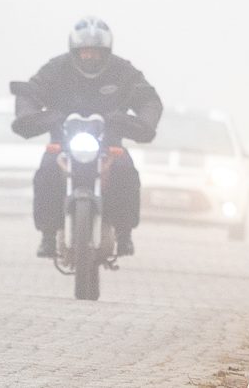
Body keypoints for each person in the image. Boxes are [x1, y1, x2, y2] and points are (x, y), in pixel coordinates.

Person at [11, 16, 163, 259]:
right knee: (47, 171)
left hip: (109, 145)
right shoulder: (54, 69)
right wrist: (29, 115)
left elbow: (148, 100)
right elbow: (30, 93)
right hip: (63, 144)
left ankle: (124, 234)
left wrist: (142, 122)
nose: (90, 57)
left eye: (96, 53)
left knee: (125, 171)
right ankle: (48, 235)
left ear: (107, 52)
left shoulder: (123, 71)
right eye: (84, 53)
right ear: (74, 51)